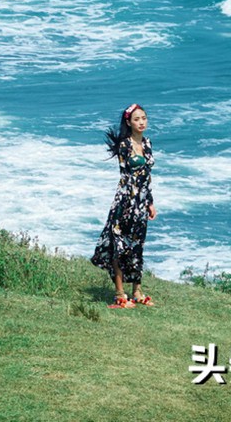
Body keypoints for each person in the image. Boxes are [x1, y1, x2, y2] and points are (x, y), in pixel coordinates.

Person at [91, 103, 157, 308]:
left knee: (138, 246)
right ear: (128, 123)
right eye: (137, 119)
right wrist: (132, 202)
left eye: (143, 118)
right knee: (120, 246)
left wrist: (150, 202)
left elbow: (147, 176)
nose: (141, 122)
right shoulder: (124, 145)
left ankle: (137, 291)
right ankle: (120, 294)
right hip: (125, 202)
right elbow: (127, 176)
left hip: (141, 203)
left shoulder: (147, 143)